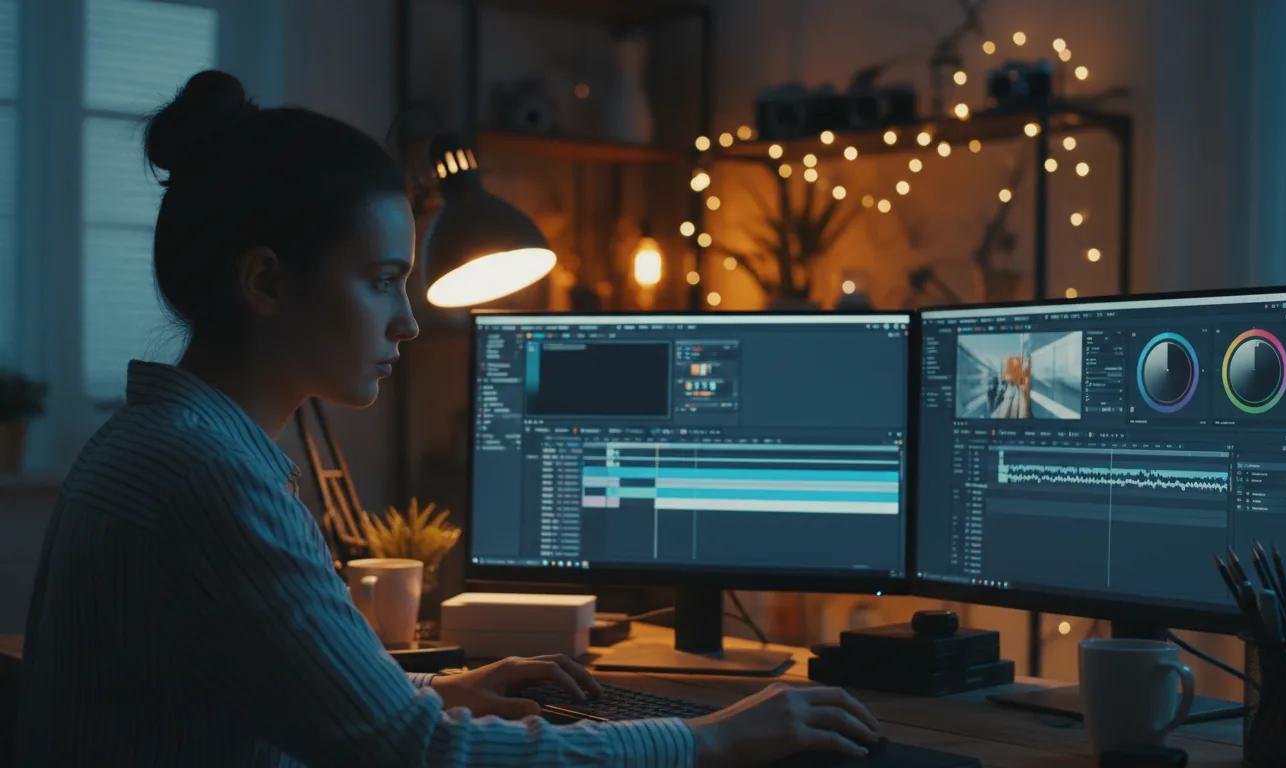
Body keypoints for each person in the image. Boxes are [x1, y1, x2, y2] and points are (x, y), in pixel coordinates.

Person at [15, 70, 880, 767]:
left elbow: (281, 702)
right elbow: (414, 754)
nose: (409, 322)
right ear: (268, 284)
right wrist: (710, 739)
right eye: (383, 279)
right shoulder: (208, 478)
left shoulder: (156, 443)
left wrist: (421, 693)